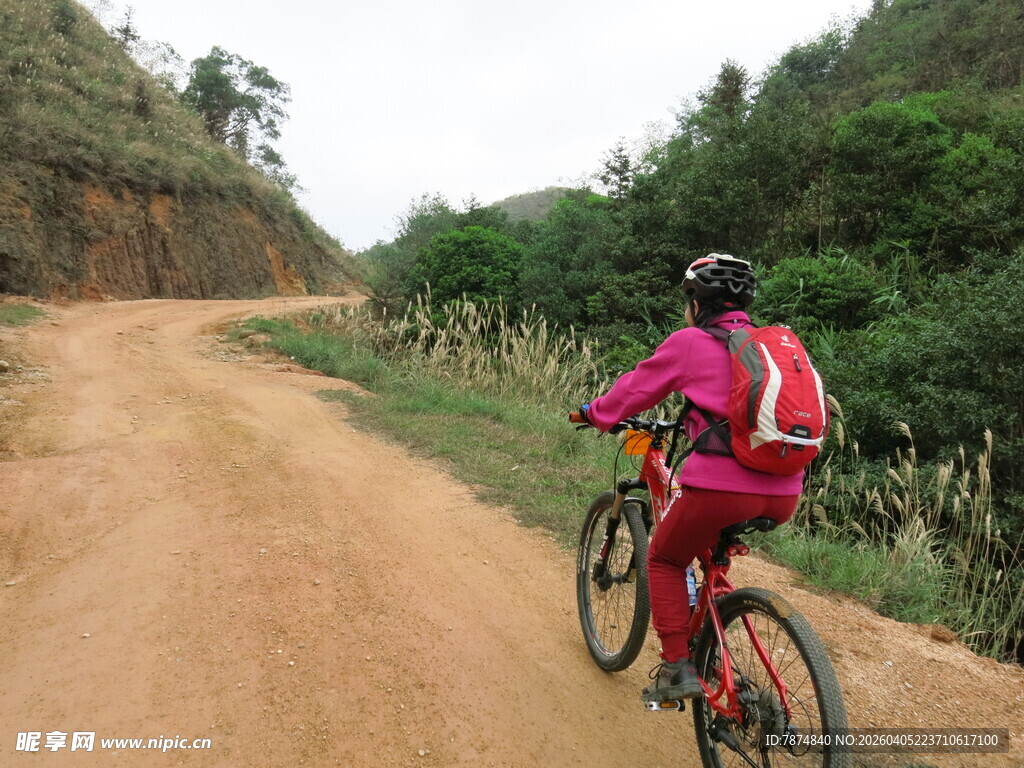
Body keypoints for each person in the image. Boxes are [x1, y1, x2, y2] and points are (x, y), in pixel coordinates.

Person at [573, 254, 803, 703]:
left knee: (663, 558)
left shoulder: (692, 342)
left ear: (697, 301)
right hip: (785, 491)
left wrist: (593, 414)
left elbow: (634, 390)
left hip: (721, 489)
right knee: (703, 545)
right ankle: (712, 636)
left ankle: (677, 666)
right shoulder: (772, 346)